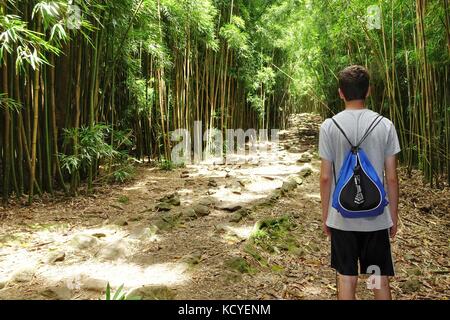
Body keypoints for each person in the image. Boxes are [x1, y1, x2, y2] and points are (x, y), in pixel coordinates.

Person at [319, 65, 401, 300]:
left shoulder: (329, 126)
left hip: (342, 218)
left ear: (340, 93)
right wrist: (392, 217)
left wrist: (326, 216)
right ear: (369, 92)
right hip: (376, 218)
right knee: (377, 277)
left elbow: (325, 177)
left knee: (347, 277)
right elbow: (392, 178)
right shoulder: (384, 125)